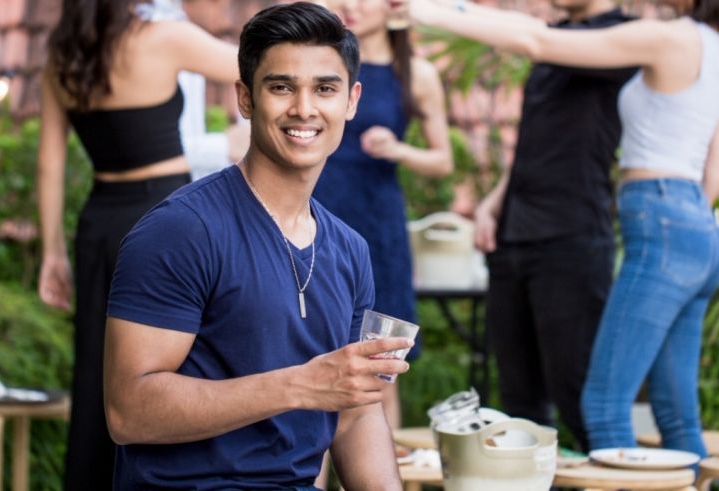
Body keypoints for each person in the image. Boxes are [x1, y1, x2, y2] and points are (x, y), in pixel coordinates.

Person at [410, 0, 719, 456]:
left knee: (602, 407)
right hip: (696, 227)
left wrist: (432, 12)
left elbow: (535, 39)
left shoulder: (664, 37)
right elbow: (716, 177)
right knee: (677, 418)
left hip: (651, 222)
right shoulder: (715, 46)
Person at [103, 3, 411, 489]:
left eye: (324, 89)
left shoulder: (350, 250)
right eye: (281, 87)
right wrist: (302, 385)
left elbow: (355, 415)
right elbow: (128, 411)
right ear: (245, 99)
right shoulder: (181, 230)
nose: (304, 109)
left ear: (351, 101)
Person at [36, 0, 238, 487]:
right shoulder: (165, 37)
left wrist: (52, 254)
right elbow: (267, 63)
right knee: (179, 367)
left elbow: (50, 163)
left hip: (99, 224)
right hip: (168, 218)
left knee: (98, 377)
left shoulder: (62, 57)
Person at [465, 0, 636, 451]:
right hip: (515, 237)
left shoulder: (623, 36)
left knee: (577, 397)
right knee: (519, 407)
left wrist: (435, 10)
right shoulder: (559, 36)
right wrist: (492, 204)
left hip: (572, 240)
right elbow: (539, 143)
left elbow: (530, 36)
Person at [315, 0, 453, 430]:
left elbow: (442, 159)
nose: (350, 7)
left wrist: (398, 149)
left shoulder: (416, 73)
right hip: (317, 213)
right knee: (312, 353)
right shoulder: (323, 61)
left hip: (377, 224)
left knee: (381, 365)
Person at [141, 0, 250, 179]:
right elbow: (148, 152)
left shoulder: (179, 29)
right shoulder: (164, 31)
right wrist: (226, 145)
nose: (225, 8)